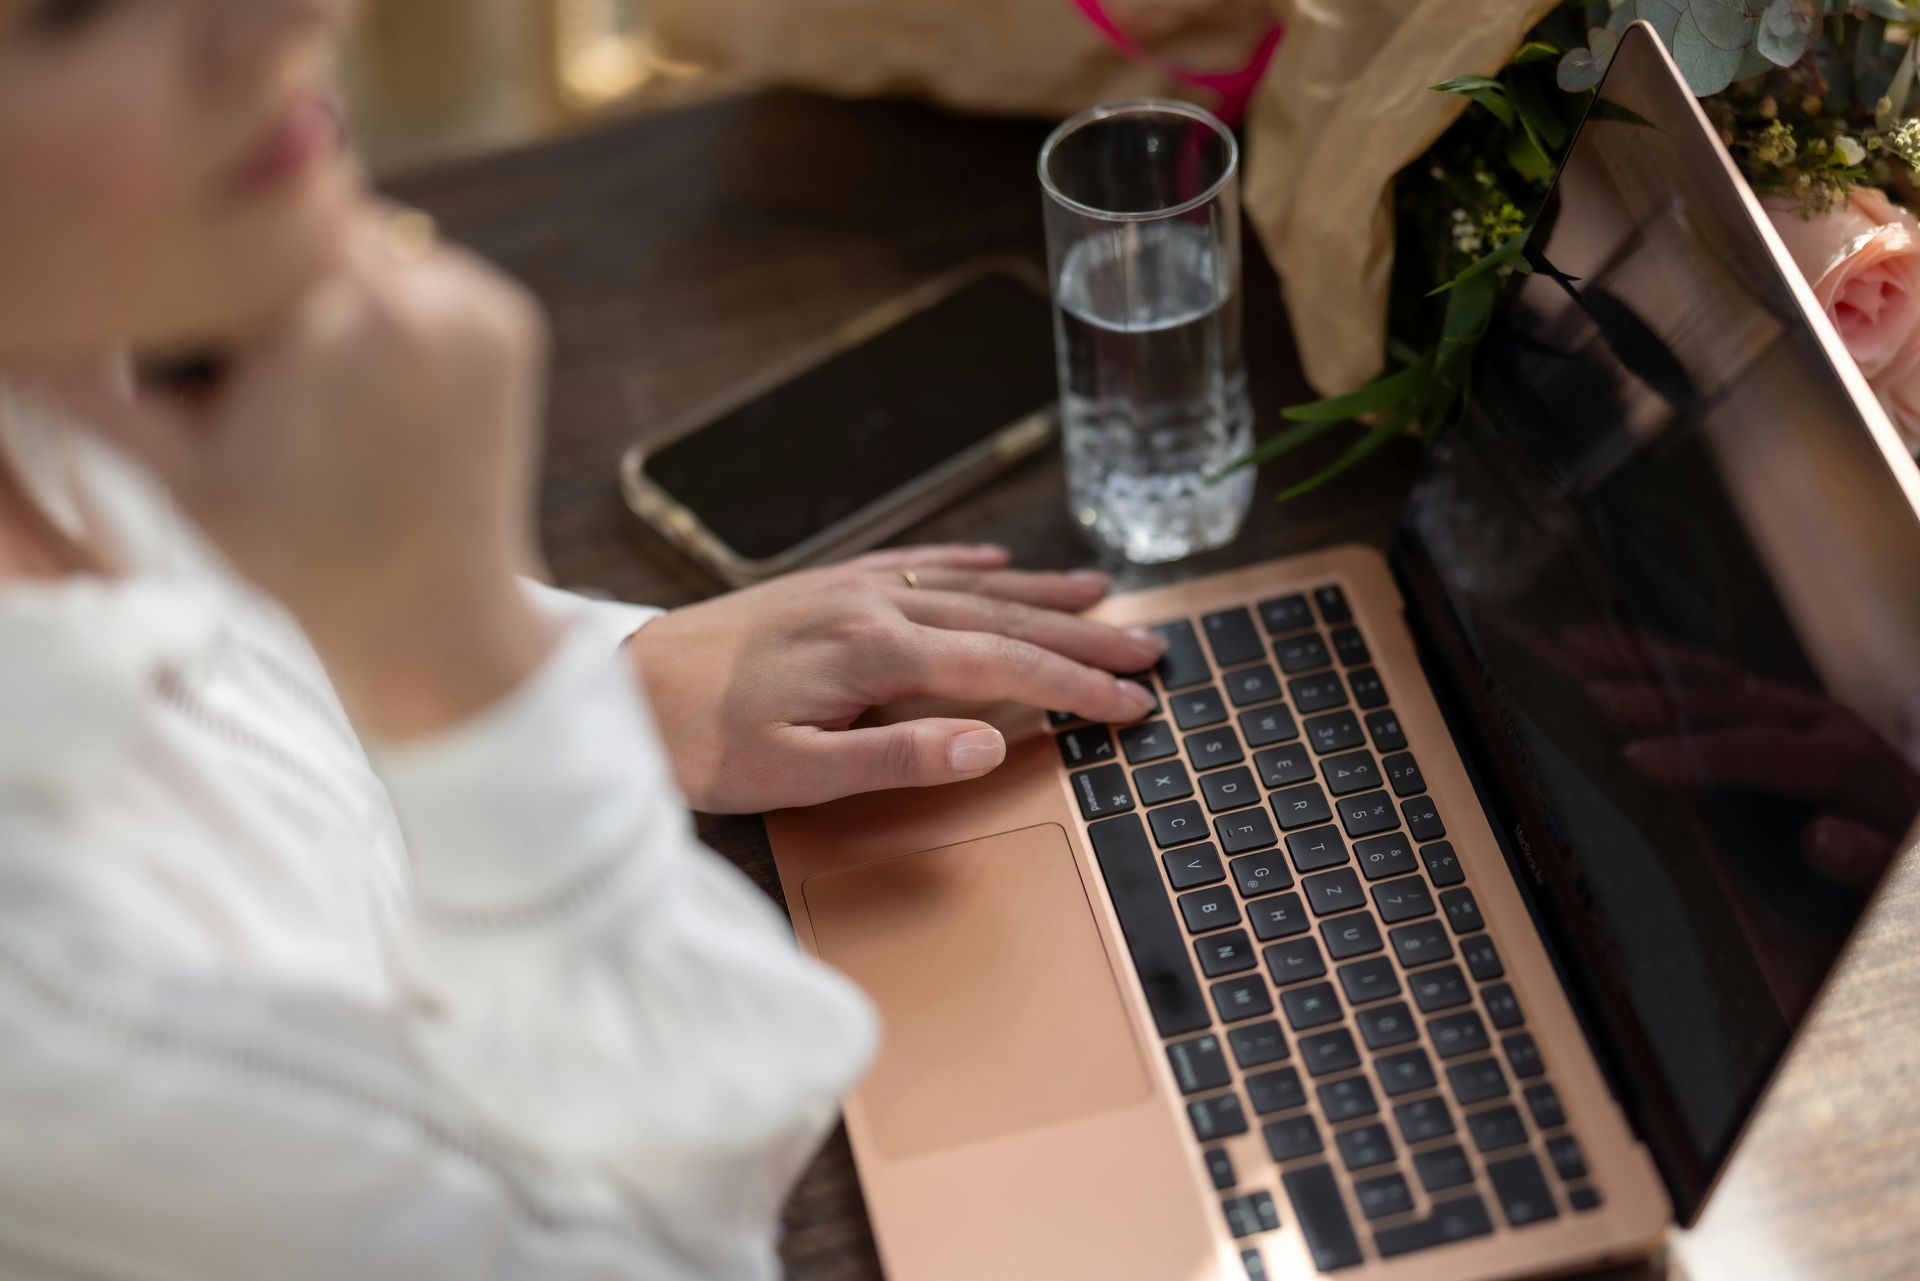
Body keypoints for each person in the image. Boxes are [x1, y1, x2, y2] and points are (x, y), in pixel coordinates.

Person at [0, 0, 1169, 1276]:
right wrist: (478, 676)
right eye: (68, 15)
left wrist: (609, 679)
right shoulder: (66, 998)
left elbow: (266, 667)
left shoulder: (69, 356)